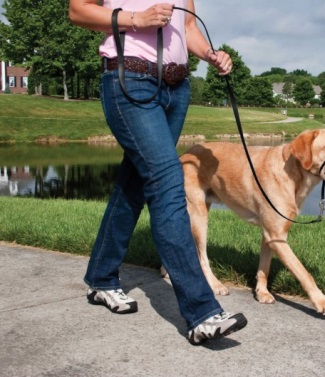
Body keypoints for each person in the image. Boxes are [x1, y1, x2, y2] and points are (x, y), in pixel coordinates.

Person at [68, 0, 247, 345]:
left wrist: (210, 55)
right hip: (129, 80)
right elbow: (78, 11)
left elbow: (188, 29)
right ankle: (202, 313)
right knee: (167, 185)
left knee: (133, 185)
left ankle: (101, 278)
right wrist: (136, 19)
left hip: (176, 90)